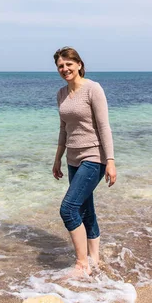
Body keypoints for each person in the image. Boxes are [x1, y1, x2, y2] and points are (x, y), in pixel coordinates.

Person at [52, 46, 117, 276]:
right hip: (72, 159)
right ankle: (95, 261)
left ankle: (82, 264)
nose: (64, 69)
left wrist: (110, 160)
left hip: (94, 158)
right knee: (86, 210)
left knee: (68, 209)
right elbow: (63, 128)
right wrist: (57, 158)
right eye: (60, 66)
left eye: (68, 64)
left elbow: (104, 127)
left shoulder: (93, 89)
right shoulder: (61, 94)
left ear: (79, 64)